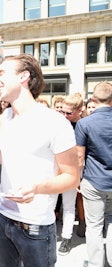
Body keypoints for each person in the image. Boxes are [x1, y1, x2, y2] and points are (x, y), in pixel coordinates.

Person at [0, 54, 80, 267]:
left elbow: (72, 178)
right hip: (2, 218)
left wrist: (37, 188)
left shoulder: (54, 122)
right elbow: (10, 158)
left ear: (24, 76)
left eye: (2, 73)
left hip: (35, 227)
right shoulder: (6, 118)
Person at [75, 81, 112, 267]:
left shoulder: (84, 123)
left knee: (94, 226)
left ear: (94, 99)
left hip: (93, 180)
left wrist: (77, 178)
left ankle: (96, 264)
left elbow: (79, 157)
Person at [57, 92, 85, 254]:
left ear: (79, 110)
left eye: (68, 113)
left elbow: (81, 156)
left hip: (72, 171)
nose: (65, 115)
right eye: (62, 111)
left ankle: (66, 238)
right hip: (56, 169)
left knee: (68, 206)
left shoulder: (82, 126)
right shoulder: (60, 123)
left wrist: (76, 177)